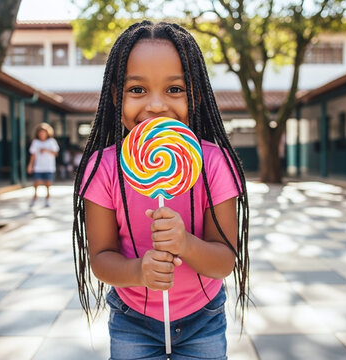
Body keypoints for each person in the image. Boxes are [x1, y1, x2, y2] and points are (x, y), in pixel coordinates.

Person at [73, 21, 249, 359]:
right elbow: (101, 258)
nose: (155, 105)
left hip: (204, 316)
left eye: (174, 89)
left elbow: (224, 261)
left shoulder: (214, 164)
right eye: (137, 90)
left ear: (195, 94)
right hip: (132, 318)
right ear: (116, 96)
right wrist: (139, 271)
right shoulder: (103, 168)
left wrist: (185, 243)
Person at [27, 123, 59, 207]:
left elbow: (55, 153)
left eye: (43, 132)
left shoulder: (52, 141)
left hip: (49, 166)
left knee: (48, 184)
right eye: (40, 133)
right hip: (38, 167)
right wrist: (30, 165)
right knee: (36, 183)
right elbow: (33, 155)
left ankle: (47, 199)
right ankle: (35, 198)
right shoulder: (35, 142)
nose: (42, 134)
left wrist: (46, 150)